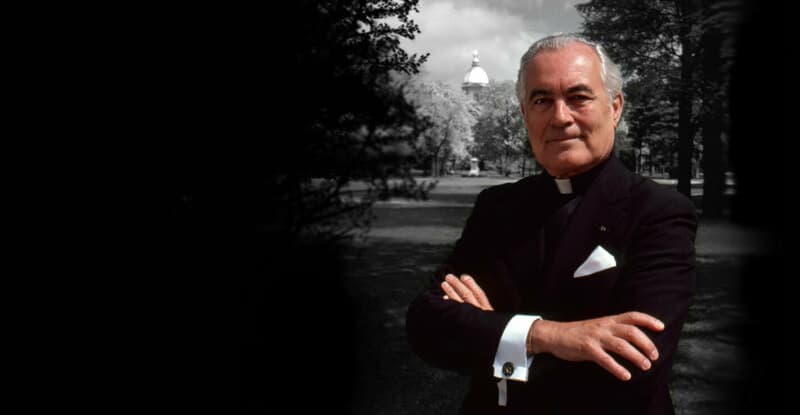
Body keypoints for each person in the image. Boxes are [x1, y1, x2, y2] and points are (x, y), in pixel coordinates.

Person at [406, 33, 697, 415]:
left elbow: (632, 370)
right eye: (542, 100)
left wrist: (491, 331)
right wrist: (550, 336)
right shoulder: (496, 207)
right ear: (525, 115)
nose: (560, 117)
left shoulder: (659, 212)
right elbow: (427, 327)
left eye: (578, 97)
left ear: (615, 107)